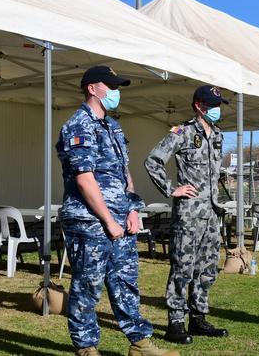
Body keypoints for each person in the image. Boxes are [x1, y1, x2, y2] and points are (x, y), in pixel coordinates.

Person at [56, 65, 178, 356]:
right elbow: (84, 178)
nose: (116, 92)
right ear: (92, 88)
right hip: (90, 222)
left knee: (125, 281)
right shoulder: (78, 125)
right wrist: (108, 220)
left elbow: (125, 173)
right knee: (87, 286)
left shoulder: (112, 126)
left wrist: (133, 209)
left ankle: (140, 344)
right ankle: (86, 348)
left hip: (121, 219)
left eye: (118, 86)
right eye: (110, 86)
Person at [145, 85, 229, 344]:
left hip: (212, 213)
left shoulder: (217, 135)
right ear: (199, 106)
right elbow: (153, 161)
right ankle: (176, 322)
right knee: (183, 267)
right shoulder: (182, 132)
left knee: (207, 268)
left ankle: (199, 317)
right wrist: (173, 189)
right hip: (189, 213)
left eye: (218, 105)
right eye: (212, 105)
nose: (216, 110)